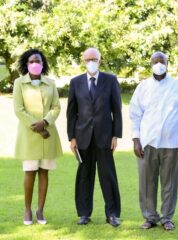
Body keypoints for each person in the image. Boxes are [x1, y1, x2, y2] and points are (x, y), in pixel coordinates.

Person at [129, 51, 178, 231]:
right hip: (147, 142)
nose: (159, 64)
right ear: (150, 64)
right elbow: (135, 115)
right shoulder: (143, 87)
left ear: (167, 63)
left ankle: (167, 217)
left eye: (162, 61)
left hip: (172, 143)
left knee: (170, 182)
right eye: (155, 61)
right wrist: (135, 139)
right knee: (146, 182)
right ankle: (150, 217)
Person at [66, 47, 122, 227]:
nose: (91, 62)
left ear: (100, 60)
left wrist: (116, 135)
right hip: (82, 138)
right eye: (88, 59)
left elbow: (117, 110)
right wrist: (72, 138)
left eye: (94, 59)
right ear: (83, 61)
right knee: (84, 176)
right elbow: (71, 113)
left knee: (108, 176)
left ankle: (112, 214)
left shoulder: (110, 80)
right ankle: (83, 213)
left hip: (105, 137)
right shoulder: (75, 82)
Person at [13, 49, 63, 225]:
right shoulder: (19, 83)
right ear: (27, 64)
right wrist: (37, 126)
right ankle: (27, 210)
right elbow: (19, 110)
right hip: (29, 135)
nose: (35, 64)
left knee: (44, 172)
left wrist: (45, 122)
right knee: (29, 171)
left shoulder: (50, 83)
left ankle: (40, 210)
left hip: (48, 135)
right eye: (32, 61)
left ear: (43, 64)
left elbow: (56, 107)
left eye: (39, 61)